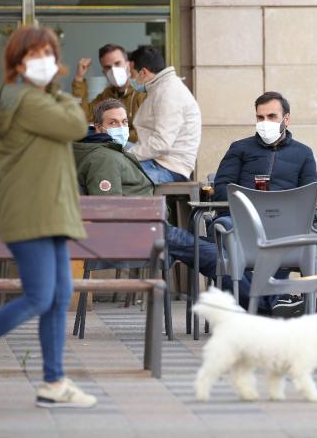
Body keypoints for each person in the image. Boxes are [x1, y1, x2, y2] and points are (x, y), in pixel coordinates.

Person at [0, 26, 97, 409]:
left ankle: (53, 382)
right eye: (34, 54)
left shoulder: (35, 99)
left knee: (59, 295)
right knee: (39, 296)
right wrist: (62, 93)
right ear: (16, 63)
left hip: (50, 209)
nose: (44, 61)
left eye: (49, 53)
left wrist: (57, 93)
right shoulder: (22, 99)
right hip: (31, 211)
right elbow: (77, 124)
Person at [74, 98, 218, 278]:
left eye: (124, 122)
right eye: (113, 122)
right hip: (139, 232)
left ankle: (257, 299)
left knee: (215, 251)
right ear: (98, 127)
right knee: (215, 256)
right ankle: (259, 301)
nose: (121, 127)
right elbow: (108, 210)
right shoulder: (105, 158)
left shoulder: (113, 152)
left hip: (149, 228)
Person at [212, 91, 317, 316]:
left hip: (283, 228)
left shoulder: (303, 153)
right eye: (260, 118)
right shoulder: (240, 149)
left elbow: (309, 196)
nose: (265, 123)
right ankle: (276, 302)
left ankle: (266, 304)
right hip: (241, 224)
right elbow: (221, 190)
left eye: (271, 116)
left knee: (216, 257)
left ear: (286, 119)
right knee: (217, 246)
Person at [127, 45, 201, 184]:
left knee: (114, 174)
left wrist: (128, 155)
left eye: (131, 73)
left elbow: (161, 144)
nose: (131, 78)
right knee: (109, 152)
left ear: (143, 72)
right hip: (158, 160)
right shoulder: (160, 87)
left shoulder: (168, 92)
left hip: (169, 167)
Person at [72, 43, 146, 142]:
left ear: (128, 65)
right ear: (104, 72)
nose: (114, 71)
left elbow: (148, 133)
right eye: (108, 67)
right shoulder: (107, 94)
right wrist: (79, 79)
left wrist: (111, 132)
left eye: (117, 64)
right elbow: (83, 116)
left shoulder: (143, 92)